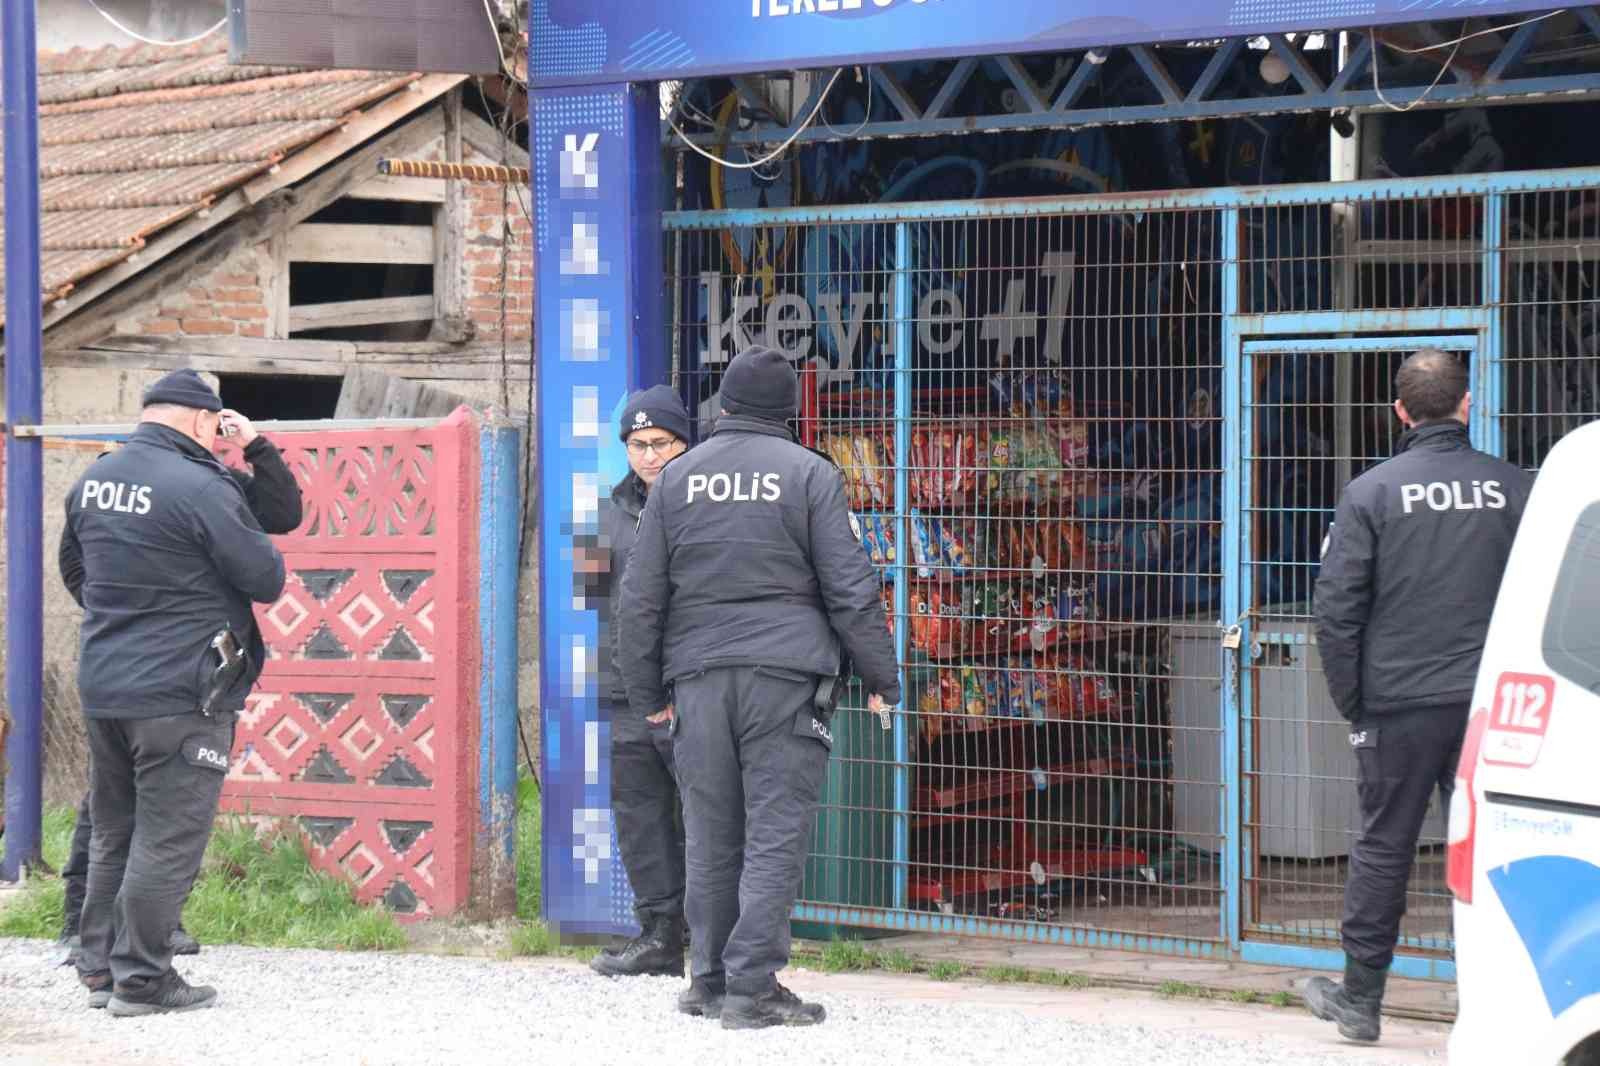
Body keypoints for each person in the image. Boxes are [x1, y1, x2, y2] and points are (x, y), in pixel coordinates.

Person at [620, 346, 900, 1030]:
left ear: (726, 405)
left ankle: (708, 980)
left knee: (711, 833)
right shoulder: (809, 474)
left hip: (697, 680)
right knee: (775, 832)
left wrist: (647, 692)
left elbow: (640, 599)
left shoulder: (678, 479)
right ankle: (753, 988)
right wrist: (882, 676)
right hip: (784, 681)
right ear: (788, 412)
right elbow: (850, 588)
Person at [1308, 349, 1533, 1044]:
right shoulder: (1514, 488)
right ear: (1468, 405)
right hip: (1492, 706)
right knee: (1499, 851)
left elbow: (1337, 609)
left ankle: (1361, 1001)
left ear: (1401, 412)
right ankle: (1510, 1010)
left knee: (1385, 848)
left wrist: (1357, 701)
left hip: (1399, 705)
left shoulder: (1372, 493)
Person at [59, 369, 286, 1016]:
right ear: (198, 421)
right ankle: (144, 980)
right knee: (166, 837)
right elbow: (264, 578)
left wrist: (124, 620)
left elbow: (74, 567)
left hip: (104, 684)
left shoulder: (95, 478)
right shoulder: (200, 486)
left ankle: (99, 966)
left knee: (114, 831)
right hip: (182, 692)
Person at [589, 386, 693, 978]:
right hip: (624, 689)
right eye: (637, 444)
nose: (649, 456)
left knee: (704, 814)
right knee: (638, 813)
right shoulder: (605, 512)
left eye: (661, 443)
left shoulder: (705, 504)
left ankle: (711, 937)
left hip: (687, 687)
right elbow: (593, 597)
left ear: (684, 443)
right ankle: (658, 933)